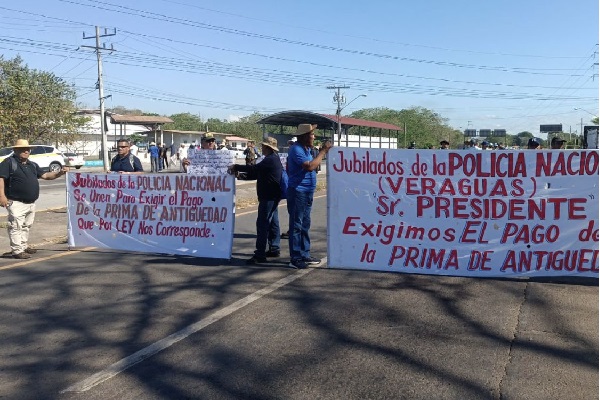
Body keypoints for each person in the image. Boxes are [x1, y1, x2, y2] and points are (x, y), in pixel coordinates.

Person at [0, 139, 70, 259]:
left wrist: (59, 173)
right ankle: (17, 251)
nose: (26, 151)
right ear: (15, 150)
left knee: (26, 226)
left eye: (28, 149)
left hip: (31, 202)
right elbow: (1, 178)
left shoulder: (32, 164)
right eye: (23, 149)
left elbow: (46, 175)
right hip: (16, 201)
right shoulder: (8, 163)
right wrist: (2, 196)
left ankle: (23, 246)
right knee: (16, 226)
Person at [229, 137, 283, 264]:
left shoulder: (270, 160)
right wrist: (240, 175)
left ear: (268, 148)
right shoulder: (272, 159)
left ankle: (260, 254)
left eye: (263, 146)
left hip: (268, 196)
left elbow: (253, 169)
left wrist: (236, 166)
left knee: (262, 224)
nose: (261, 148)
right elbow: (256, 174)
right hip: (273, 195)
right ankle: (274, 248)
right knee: (273, 222)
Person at [287, 123, 332, 269]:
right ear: (304, 136)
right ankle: (295, 257)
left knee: (305, 224)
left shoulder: (307, 149)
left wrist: (320, 153)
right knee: (296, 225)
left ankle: (304, 254)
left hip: (307, 191)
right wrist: (323, 151)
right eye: (312, 134)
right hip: (298, 191)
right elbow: (310, 166)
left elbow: (315, 165)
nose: (314, 136)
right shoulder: (296, 149)